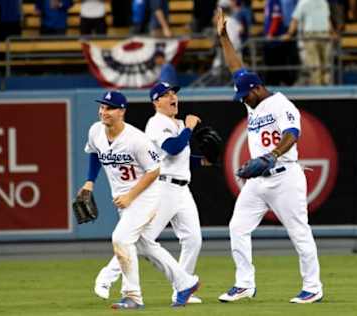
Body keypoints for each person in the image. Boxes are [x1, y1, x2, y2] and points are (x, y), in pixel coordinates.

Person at [215, 8, 323, 304]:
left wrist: (272, 156)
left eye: (245, 95)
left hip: (284, 176)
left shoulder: (280, 104)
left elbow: (292, 134)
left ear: (258, 88)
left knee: (299, 233)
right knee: (237, 228)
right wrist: (224, 36)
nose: (243, 100)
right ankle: (244, 283)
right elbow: (236, 68)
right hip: (258, 181)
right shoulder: (252, 102)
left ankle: (313, 287)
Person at [81, 90, 200, 309]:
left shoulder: (136, 139)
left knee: (121, 238)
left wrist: (130, 196)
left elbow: (154, 171)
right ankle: (186, 282)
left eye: (109, 108)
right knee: (145, 245)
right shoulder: (96, 131)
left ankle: (132, 295)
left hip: (146, 196)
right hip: (123, 198)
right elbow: (95, 152)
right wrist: (90, 182)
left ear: (122, 112)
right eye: (102, 107)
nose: (103, 112)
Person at [282, 0, 333, 85]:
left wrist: (332, 32)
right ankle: (318, 89)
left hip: (325, 35)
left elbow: (328, 19)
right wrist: (289, 34)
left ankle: (326, 86)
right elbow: (295, 19)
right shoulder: (303, 2)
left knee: (326, 65)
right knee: (315, 65)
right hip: (310, 36)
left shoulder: (324, 2)